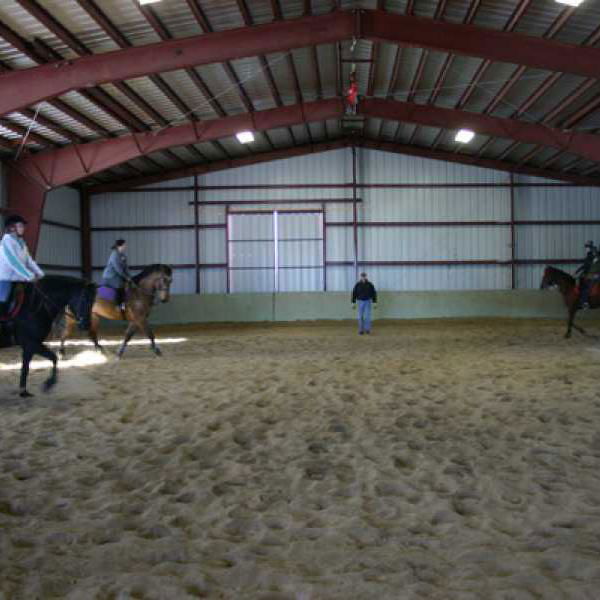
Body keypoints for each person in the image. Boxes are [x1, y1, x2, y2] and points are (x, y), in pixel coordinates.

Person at [0, 215, 44, 318]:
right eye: (20, 226)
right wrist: (29, 275)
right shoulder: (7, 241)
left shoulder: (21, 243)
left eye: (23, 226)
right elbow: (13, 262)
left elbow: (29, 261)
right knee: (3, 297)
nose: (23, 228)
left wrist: (40, 273)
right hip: (4, 277)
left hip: (18, 278)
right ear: (12, 228)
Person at [101, 239, 132, 310]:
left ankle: (125, 302)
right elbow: (118, 269)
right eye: (124, 245)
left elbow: (126, 267)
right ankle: (118, 305)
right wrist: (126, 277)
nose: (125, 246)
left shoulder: (123, 255)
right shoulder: (114, 255)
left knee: (128, 284)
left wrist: (130, 276)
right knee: (120, 285)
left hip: (118, 275)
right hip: (110, 276)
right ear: (119, 246)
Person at [576, 240, 598, 309]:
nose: (586, 248)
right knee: (581, 284)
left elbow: (592, 265)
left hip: (595, 274)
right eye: (586, 247)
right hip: (589, 274)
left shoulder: (594, 254)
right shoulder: (589, 255)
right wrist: (577, 272)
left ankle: (585, 303)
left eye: (587, 247)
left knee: (587, 288)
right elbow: (585, 265)